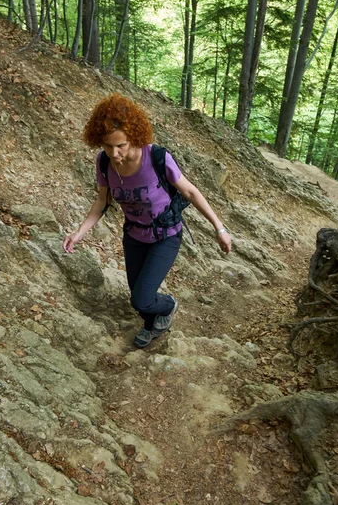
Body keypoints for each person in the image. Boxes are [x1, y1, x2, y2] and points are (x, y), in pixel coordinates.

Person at [63, 93, 232, 348]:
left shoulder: (157, 158)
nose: (115, 153)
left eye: (121, 145)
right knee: (138, 295)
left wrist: (219, 228)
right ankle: (151, 324)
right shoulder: (104, 163)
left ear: (134, 137)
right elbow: (101, 202)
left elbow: (190, 192)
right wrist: (79, 233)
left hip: (166, 235)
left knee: (141, 298)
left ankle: (168, 306)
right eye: (108, 146)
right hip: (134, 236)